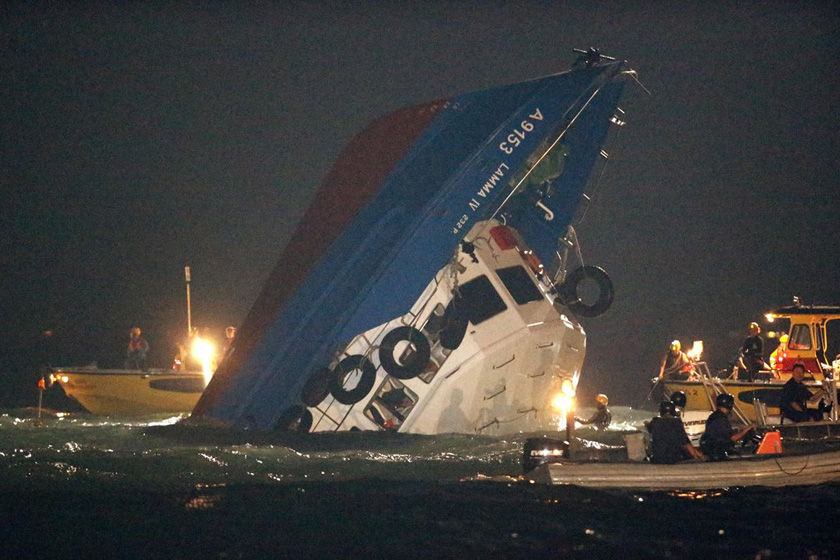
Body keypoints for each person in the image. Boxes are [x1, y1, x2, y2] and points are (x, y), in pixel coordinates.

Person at [699, 393, 757, 460]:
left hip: (712, 447)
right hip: (718, 450)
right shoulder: (721, 419)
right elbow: (733, 438)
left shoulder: (715, 416)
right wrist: (747, 429)